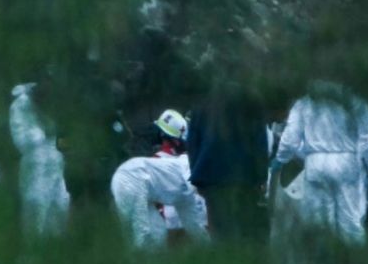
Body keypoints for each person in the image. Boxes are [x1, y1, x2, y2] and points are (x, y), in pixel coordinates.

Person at [267, 82, 368, 264]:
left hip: (316, 163)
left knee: (319, 221)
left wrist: (280, 159)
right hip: (348, 163)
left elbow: (290, 138)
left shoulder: (305, 103)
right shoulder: (356, 103)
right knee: (350, 222)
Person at [110, 109, 210, 250]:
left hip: (132, 180)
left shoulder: (182, 193)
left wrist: (209, 248)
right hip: (131, 178)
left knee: (157, 232)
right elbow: (193, 184)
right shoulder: (186, 163)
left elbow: (194, 225)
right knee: (143, 236)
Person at [185, 88, 270, 239]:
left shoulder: (202, 99)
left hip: (211, 174)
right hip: (245, 176)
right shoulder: (250, 98)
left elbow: (192, 142)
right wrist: (262, 176)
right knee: (243, 227)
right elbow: (260, 141)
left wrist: (196, 174)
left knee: (218, 229)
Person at [10, 83, 70, 238]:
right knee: (36, 210)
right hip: (35, 166)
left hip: (57, 166)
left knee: (60, 208)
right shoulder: (20, 105)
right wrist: (42, 133)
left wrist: (64, 151)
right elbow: (20, 141)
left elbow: (63, 135)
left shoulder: (54, 101)